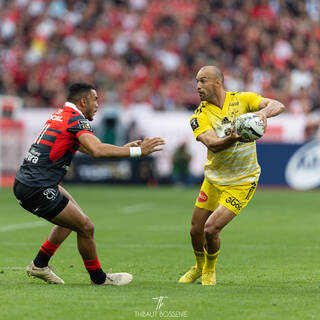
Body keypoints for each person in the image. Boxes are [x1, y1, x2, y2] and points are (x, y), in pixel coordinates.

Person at [13, 82, 165, 286]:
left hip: (31, 181)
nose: (98, 105)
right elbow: (97, 150)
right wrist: (139, 152)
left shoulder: (61, 114)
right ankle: (99, 279)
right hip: (38, 187)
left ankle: (39, 265)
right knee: (86, 227)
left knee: (73, 220)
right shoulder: (77, 120)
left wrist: (120, 149)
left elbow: (83, 146)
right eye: (95, 100)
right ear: (83, 101)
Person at [178, 66, 285, 286]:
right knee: (195, 230)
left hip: (242, 181)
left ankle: (209, 269)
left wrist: (261, 114)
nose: (198, 86)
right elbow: (212, 144)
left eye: (203, 81)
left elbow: (278, 104)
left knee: (210, 229)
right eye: (196, 81)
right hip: (214, 180)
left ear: (218, 82)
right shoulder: (199, 115)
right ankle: (197, 267)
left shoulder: (243, 99)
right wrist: (235, 137)